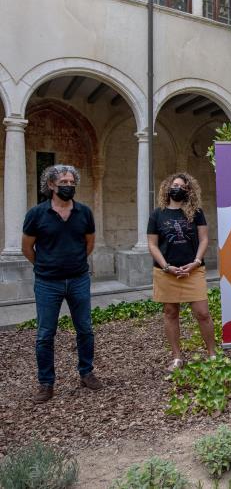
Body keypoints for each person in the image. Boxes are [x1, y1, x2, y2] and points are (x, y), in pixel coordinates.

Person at [22, 164, 103, 403]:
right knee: (45, 334)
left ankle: (86, 372)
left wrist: (74, 263)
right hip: (48, 283)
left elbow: (89, 244)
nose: (68, 186)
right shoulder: (36, 214)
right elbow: (27, 248)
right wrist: (45, 266)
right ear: (50, 185)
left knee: (85, 329)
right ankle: (46, 383)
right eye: (63, 183)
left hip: (78, 279)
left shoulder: (84, 213)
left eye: (71, 182)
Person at [147, 172, 215, 371]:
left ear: (188, 191)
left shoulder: (196, 212)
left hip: (193, 270)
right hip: (166, 271)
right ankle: (177, 357)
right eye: (175, 185)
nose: (178, 189)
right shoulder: (157, 214)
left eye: (183, 187)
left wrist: (196, 261)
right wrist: (166, 267)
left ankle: (212, 354)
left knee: (202, 313)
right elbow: (152, 244)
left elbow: (204, 239)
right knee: (170, 312)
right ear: (168, 187)